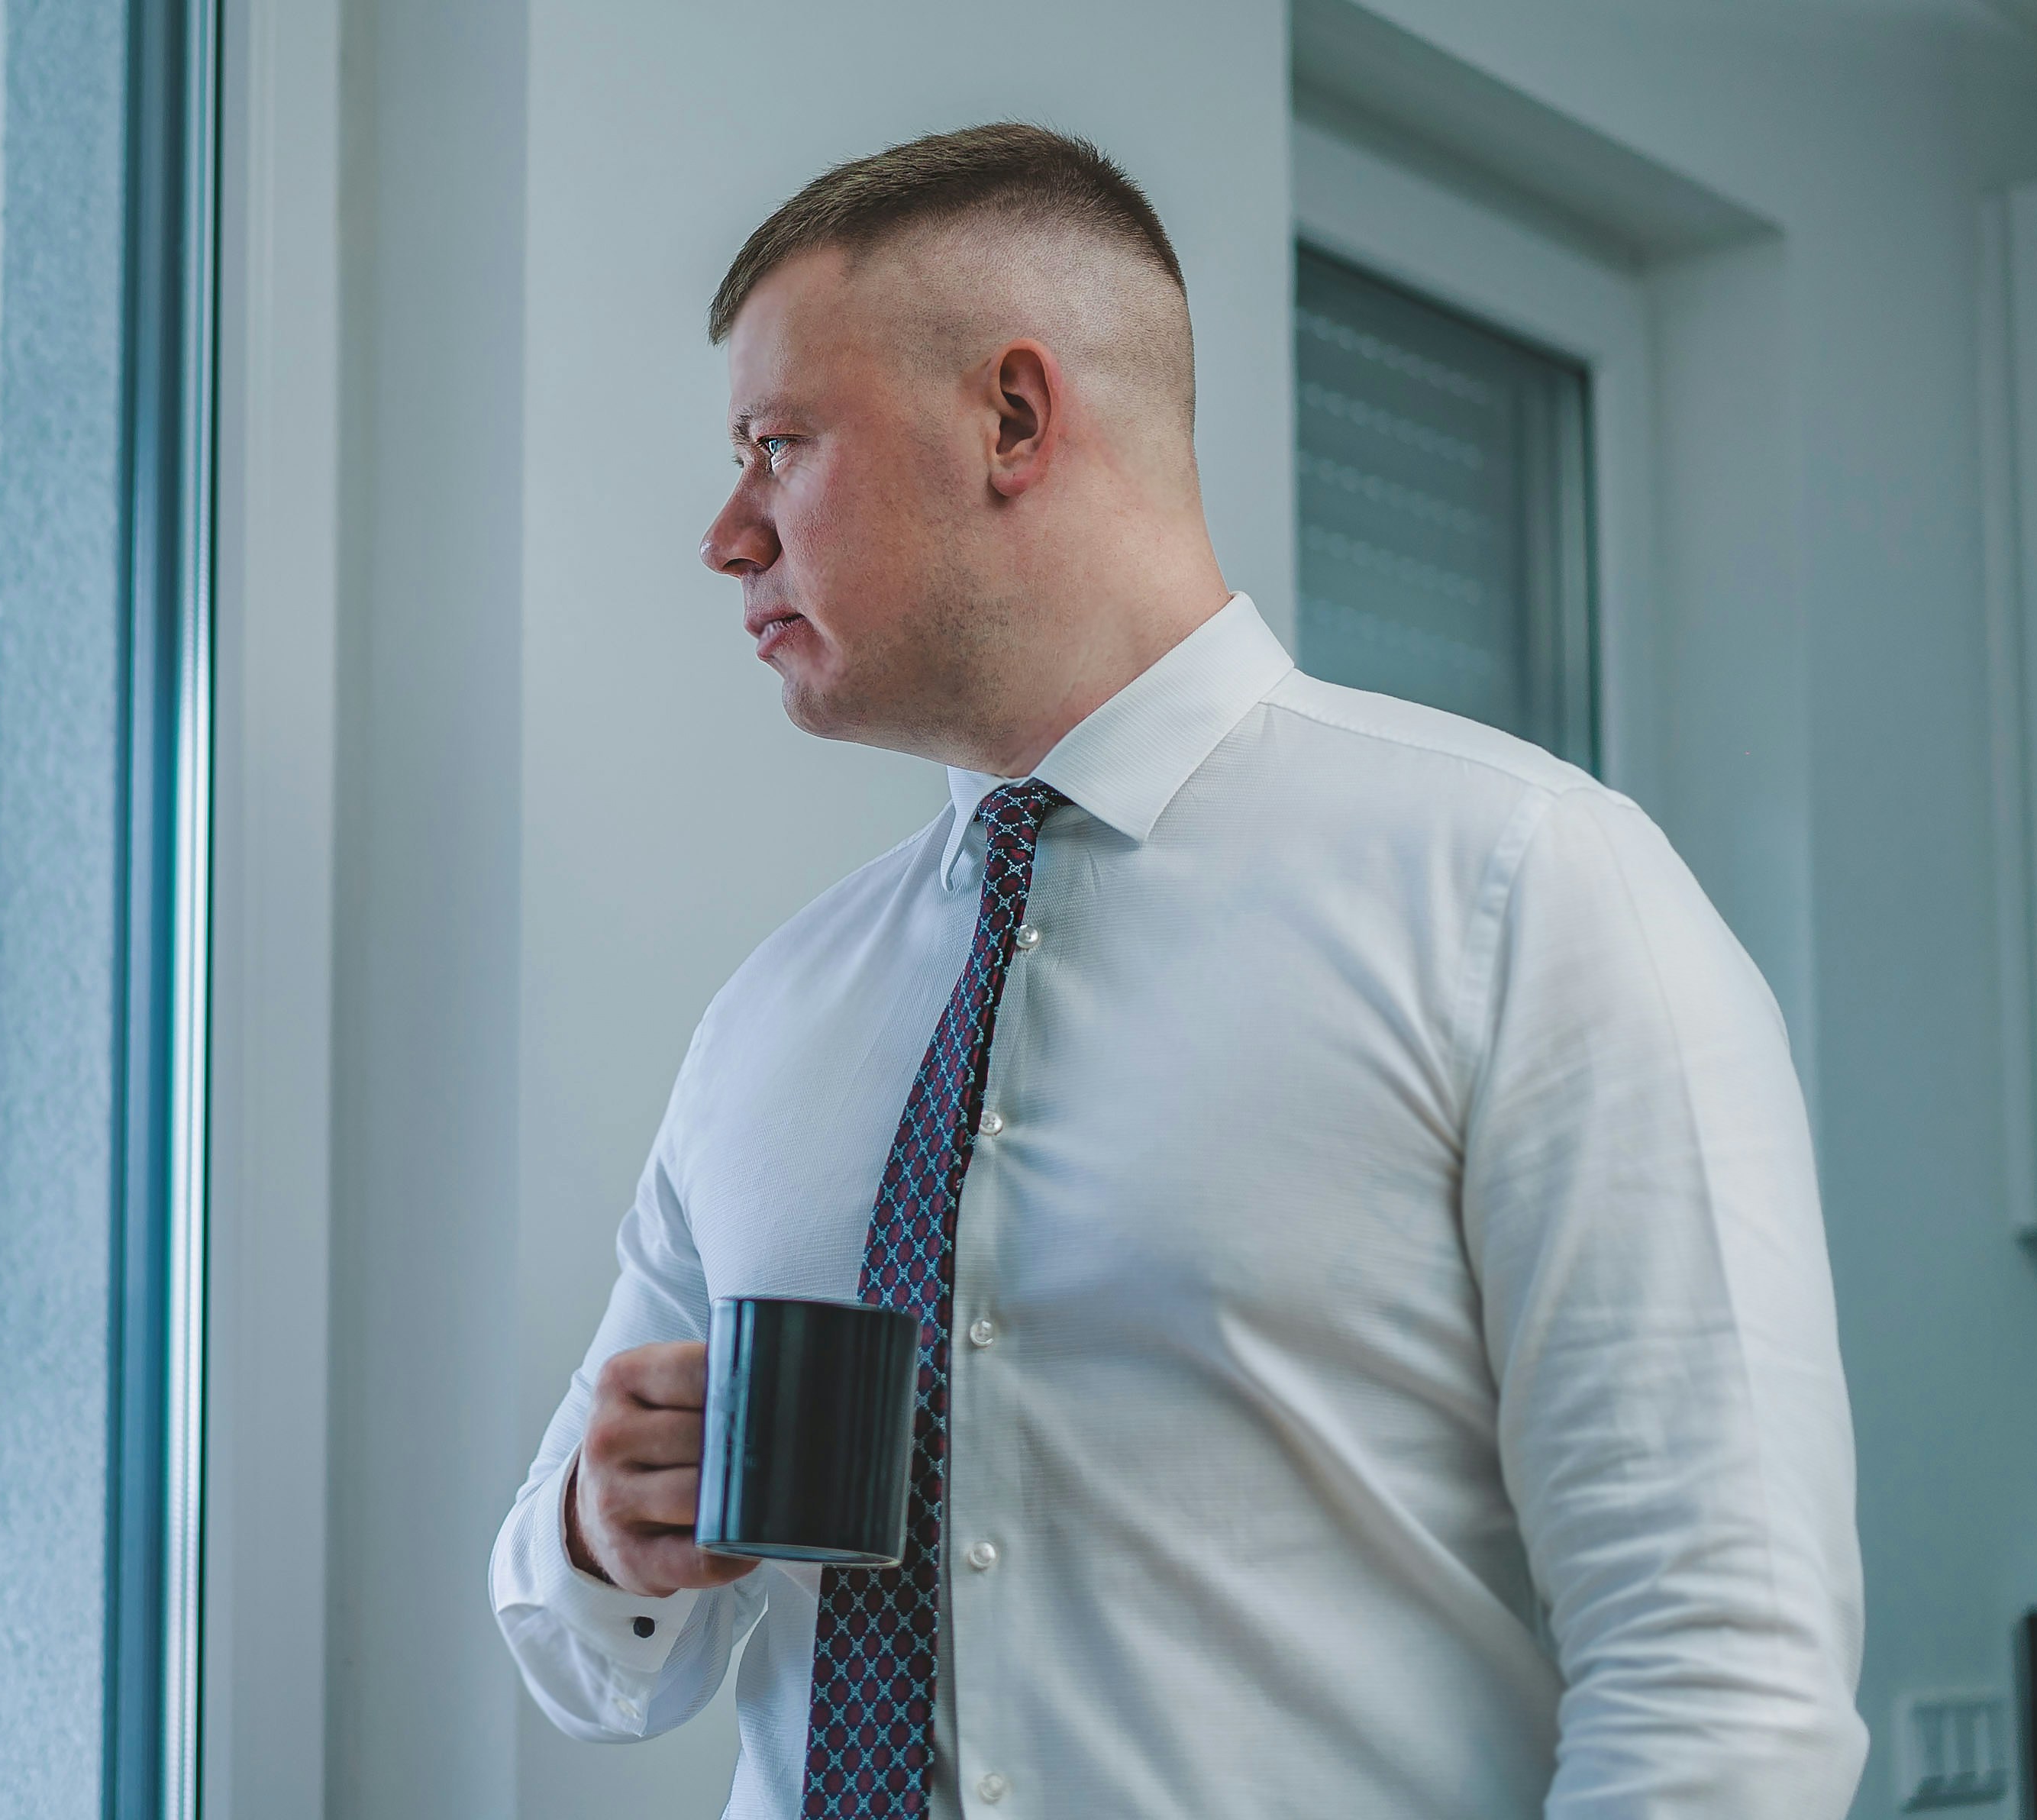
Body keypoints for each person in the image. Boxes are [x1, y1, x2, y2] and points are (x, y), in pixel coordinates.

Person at [489, 122, 1864, 1819]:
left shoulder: (1524, 890)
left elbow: (1721, 1682)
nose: (725, 532)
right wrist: (596, 1527)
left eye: (777, 445)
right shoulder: (774, 1016)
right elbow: (576, 1649)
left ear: (1011, 417)